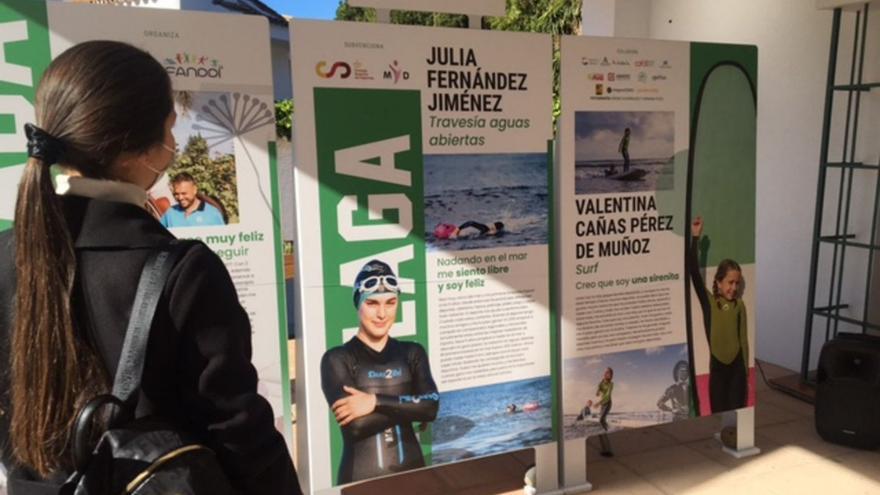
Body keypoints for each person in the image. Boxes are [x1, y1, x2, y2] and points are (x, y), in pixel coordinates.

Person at [0, 41, 301, 494]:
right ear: (138, 148)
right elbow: (240, 436)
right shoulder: (185, 271)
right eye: (169, 128)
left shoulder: (9, 253)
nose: (174, 145)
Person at [320, 260, 439, 484]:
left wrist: (374, 401)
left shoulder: (412, 352)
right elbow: (356, 426)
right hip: (362, 482)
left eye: (391, 302)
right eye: (372, 303)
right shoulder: (337, 358)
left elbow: (431, 407)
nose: (382, 314)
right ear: (358, 303)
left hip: (416, 480)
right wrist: (412, 406)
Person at [689, 216, 749, 412]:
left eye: (737, 283)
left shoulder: (739, 306)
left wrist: (746, 374)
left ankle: (737, 438)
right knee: (718, 411)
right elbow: (693, 272)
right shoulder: (709, 302)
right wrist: (695, 239)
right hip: (718, 369)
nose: (734, 287)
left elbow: (743, 340)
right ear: (719, 282)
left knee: (737, 410)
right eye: (730, 282)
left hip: (737, 369)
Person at [160, 172, 226, 227]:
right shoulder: (170, 213)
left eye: (184, 193)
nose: (180, 198)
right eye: (176, 194)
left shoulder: (212, 213)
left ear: (194, 190)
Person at [596, 367, 614, 457]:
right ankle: (605, 448)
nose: (606, 374)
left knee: (601, 421)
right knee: (602, 422)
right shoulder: (602, 382)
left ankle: (608, 448)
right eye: (605, 372)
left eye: (608, 373)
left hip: (607, 403)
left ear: (611, 375)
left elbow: (606, 397)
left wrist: (598, 403)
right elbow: (598, 390)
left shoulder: (611, 384)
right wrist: (598, 391)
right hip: (603, 404)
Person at [433, 221, 505, 240]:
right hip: (454, 233)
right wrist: (458, 229)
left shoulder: (487, 231)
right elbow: (471, 222)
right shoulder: (485, 229)